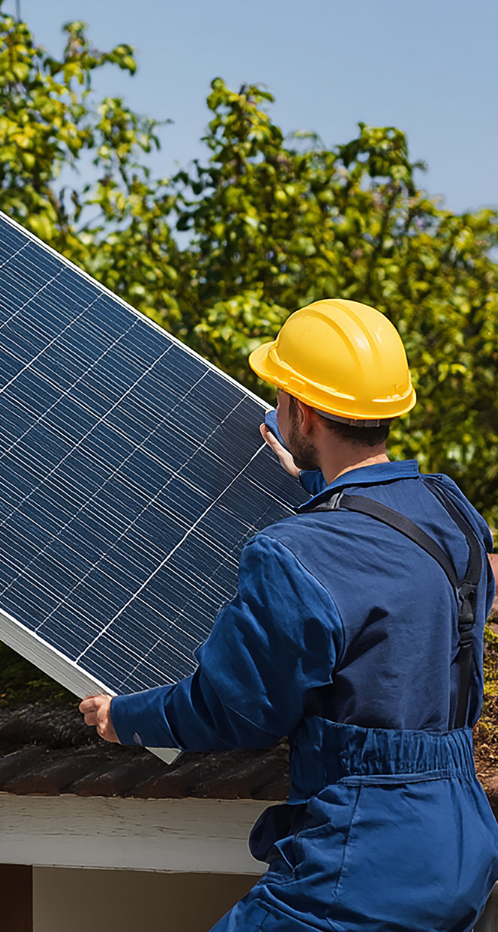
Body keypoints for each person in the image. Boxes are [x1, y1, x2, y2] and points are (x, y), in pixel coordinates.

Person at [79, 298, 498, 931]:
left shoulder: (294, 554)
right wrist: (320, 487)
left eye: (280, 394)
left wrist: (125, 717)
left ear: (301, 411)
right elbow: (393, 570)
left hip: (362, 862)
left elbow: (237, 709)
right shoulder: (453, 511)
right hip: (461, 842)